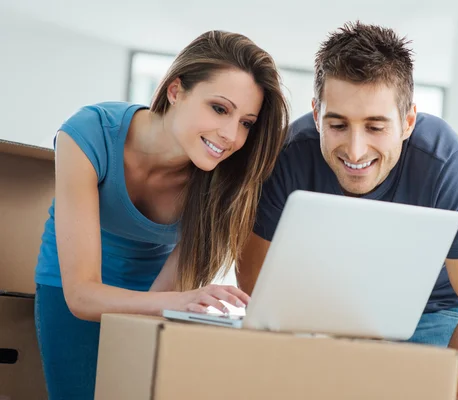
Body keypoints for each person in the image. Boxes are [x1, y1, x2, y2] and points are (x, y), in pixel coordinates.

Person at [236, 22, 458, 400]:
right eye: (338, 124)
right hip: (317, 313)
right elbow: (254, 281)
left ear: (408, 121)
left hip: (429, 313)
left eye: (376, 127)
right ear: (316, 115)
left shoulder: (445, 163)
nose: (355, 150)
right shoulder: (288, 156)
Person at [34, 30, 289, 399]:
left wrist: (183, 305)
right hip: (70, 288)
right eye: (219, 108)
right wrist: (181, 302)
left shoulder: (224, 183)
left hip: (154, 296)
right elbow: (82, 296)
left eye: (246, 122)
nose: (231, 135)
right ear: (175, 90)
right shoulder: (89, 133)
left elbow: (165, 295)